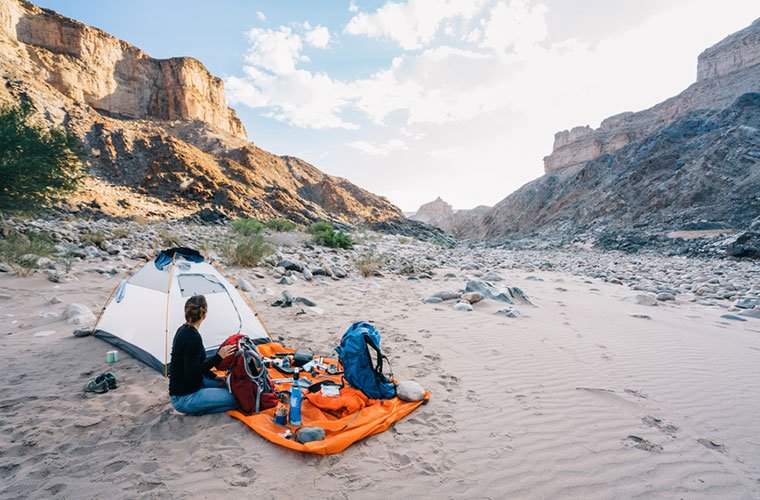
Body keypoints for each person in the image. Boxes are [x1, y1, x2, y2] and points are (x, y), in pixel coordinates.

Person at [169, 295, 238, 415]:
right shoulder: (192, 337)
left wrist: (214, 377)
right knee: (237, 399)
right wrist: (218, 357)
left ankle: (201, 405)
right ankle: (195, 410)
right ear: (204, 315)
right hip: (185, 397)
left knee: (228, 385)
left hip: (194, 384)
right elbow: (193, 371)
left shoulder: (183, 330)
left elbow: (195, 364)